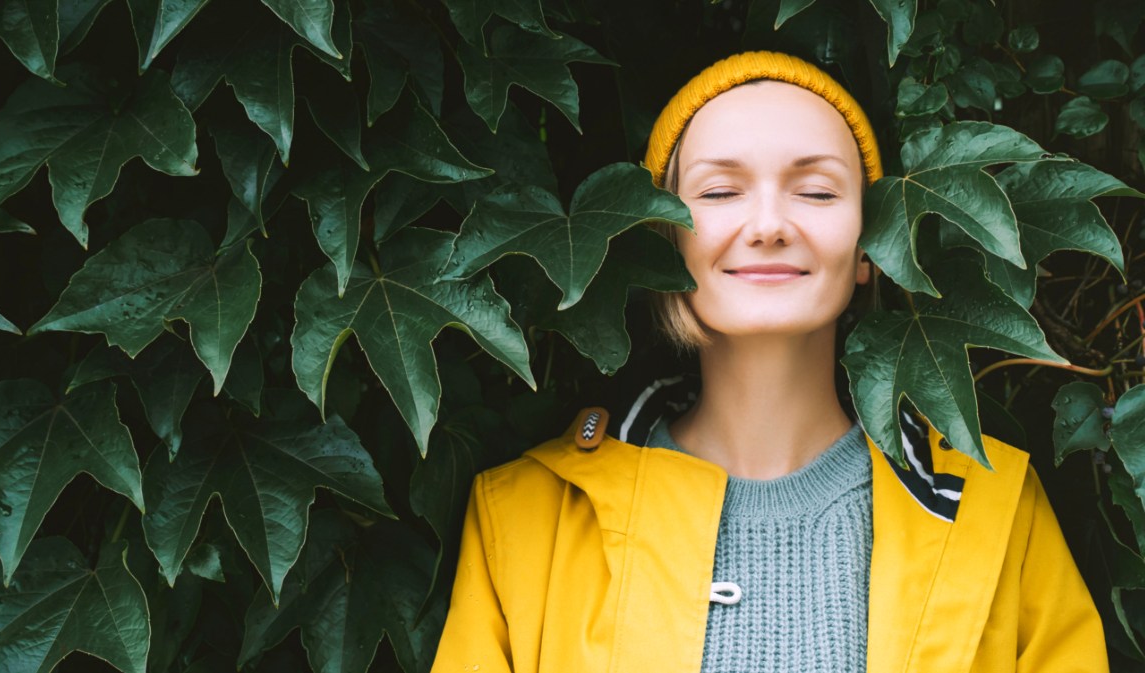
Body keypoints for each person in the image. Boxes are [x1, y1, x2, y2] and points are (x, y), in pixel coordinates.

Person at [429, 50, 1107, 672]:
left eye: (816, 191)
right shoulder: (524, 519)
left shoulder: (998, 506)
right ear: (664, 238)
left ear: (870, 245)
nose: (769, 224)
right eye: (721, 192)